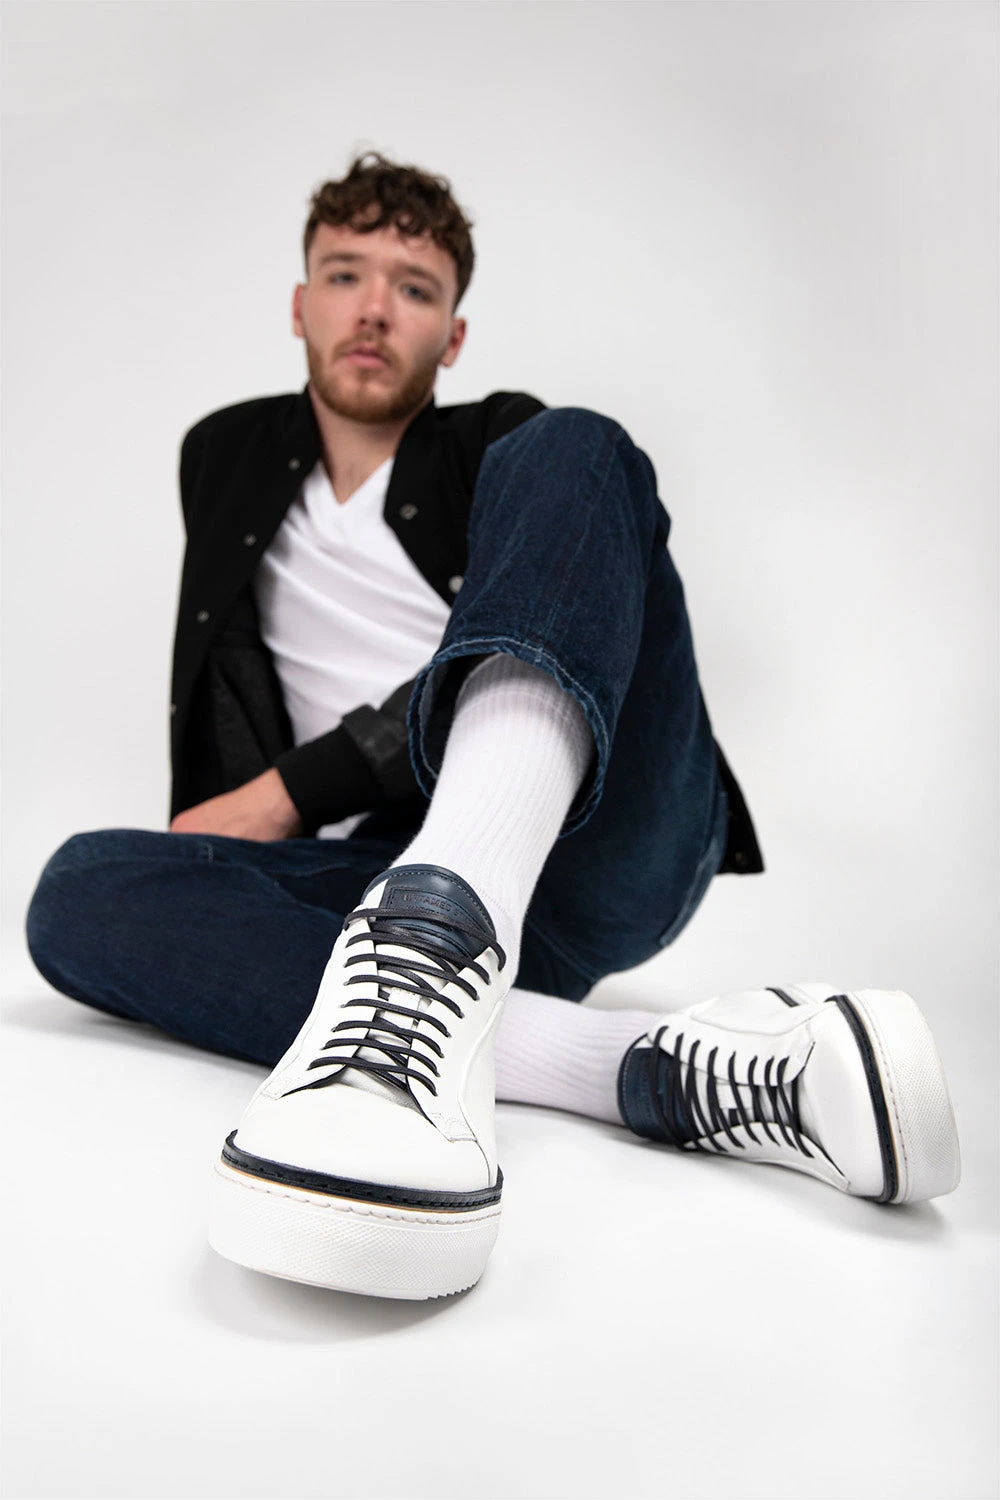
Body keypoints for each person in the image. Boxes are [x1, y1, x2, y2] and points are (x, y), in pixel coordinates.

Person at [25, 152, 960, 1302]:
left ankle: (440, 926)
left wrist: (282, 794)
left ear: (452, 336)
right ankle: (646, 1067)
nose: (375, 309)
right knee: (78, 892)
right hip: (376, 869)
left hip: (597, 840)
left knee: (578, 443)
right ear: (299, 304)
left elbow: (495, 637)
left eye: (414, 288)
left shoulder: (500, 447)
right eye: (345, 275)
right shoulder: (222, 457)